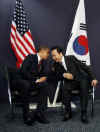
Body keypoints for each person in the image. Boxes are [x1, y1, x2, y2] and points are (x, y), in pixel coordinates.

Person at [51, 46, 98, 124]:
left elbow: (85, 67)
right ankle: (68, 113)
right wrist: (63, 75)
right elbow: (55, 75)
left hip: (81, 79)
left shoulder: (71, 58)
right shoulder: (55, 64)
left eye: (54, 55)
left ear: (60, 54)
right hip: (70, 82)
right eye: (52, 56)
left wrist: (93, 78)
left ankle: (83, 113)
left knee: (84, 85)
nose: (53, 58)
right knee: (64, 88)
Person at [13, 45, 50, 125]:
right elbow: (23, 71)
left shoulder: (43, 62)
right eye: (47, 53)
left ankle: (39, 113)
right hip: (21, 81)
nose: (48, 55)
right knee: (25, 85)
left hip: (31, 82)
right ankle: (27, 116)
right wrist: (36, 80)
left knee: (44, 85)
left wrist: (43, 78)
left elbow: (41, 74)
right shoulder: (31, 57)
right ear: (42, 51)